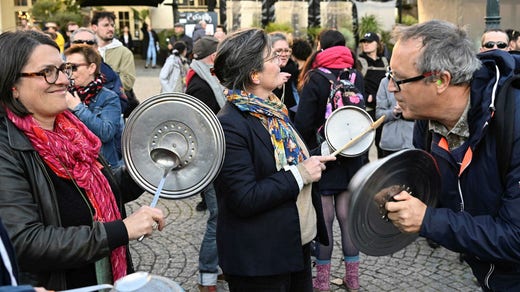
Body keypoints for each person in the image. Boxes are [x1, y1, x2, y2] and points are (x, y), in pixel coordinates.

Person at [0, 30, 165, 291]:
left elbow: (99, 188)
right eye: (48, 72)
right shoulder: (7, 148)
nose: (65, 80)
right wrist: (120, 230)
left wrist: (149, 166)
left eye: (64, 69)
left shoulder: (72, 131)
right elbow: (25, 241)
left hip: (105, 278)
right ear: (13, 86)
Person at [383, 20, 520, 291]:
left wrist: (426, 220)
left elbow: (516, 238)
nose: (390, 88)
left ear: (441, 80)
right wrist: (396, 194)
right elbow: (443, 195)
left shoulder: (513, 120)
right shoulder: (426, 124)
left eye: (398, 79)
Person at [213, 28, 335, 291]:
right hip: (261, 258)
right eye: (272, 57)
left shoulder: (273, 111)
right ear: (254, 75)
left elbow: (282, 162)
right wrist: (300, 174)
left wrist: (313, 159)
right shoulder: (230, 124)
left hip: (293, 245)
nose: (281, 61)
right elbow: (244, 197)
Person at [294, 29, 365, 292]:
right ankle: (353, 280)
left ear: (321, 47)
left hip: (323, 156)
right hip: (352, 155)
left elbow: (303, 122)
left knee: (325, 222)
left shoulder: (316, 77)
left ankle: (322, 283)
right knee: (347, 220)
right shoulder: (356, 74)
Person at [185, 36, 224, 292]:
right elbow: (204, 126)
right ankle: (206, 275)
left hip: (216, 158)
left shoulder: (204, 77)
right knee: (217, 217)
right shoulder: (200, 84)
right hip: (210, 160)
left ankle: (218, 268)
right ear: (212, 57)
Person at [64, 44, 123, 169]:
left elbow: (106, 133)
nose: (68, 73)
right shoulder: (65, 94)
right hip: (74, 167)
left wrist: (78, 108)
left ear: (91, 68)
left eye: (73, 67)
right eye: (66, 68)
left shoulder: (108, 97)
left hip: (103, 167)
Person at [358, 31, 388, 159]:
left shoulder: (385, 61)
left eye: (369, 42)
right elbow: (356, 83)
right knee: (364, 147)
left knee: (382, 145)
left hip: (382, 109)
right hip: (367, 110)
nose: (366, 44)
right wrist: (367, 96)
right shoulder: (360, 61)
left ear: (377, 44)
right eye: (364, 42)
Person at [91, 11, 136, 94]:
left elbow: (128, 82)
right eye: (106, 25)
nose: (111, 29)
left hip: (115, 102)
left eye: (112, 25)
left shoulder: (124, 53)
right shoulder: (88, 51)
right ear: (94, 27)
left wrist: (97, 85)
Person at [375, 77, 414, 157]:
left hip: (413, 143)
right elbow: (379, 114)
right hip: (390, 145)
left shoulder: (417, 80)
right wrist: (394, 112)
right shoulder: (385, 82)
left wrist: (407, 109)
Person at [270, 32, 299, 121]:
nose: (284, 54)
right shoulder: (263, 73)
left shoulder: (294, 70)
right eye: (279, 51)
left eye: (286, 51)